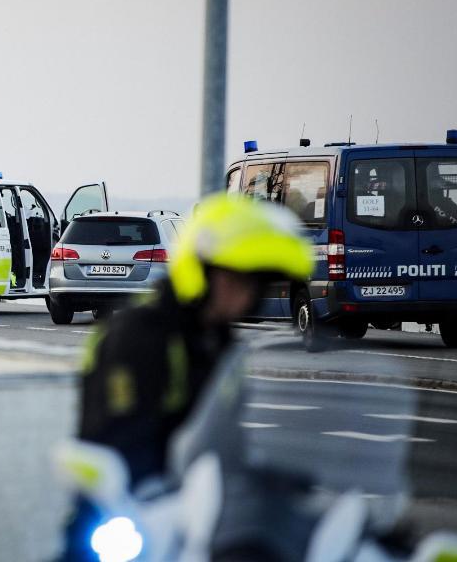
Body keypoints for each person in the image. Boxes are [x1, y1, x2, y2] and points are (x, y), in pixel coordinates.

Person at [59, 194, 313, 561]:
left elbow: (224, 438)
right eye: (234, 278)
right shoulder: (142, 333)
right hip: (125, 521)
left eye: (253, 283)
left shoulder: (219, 341)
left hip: (201, 516)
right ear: (202, 270)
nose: (243, 294)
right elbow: (119, 441)